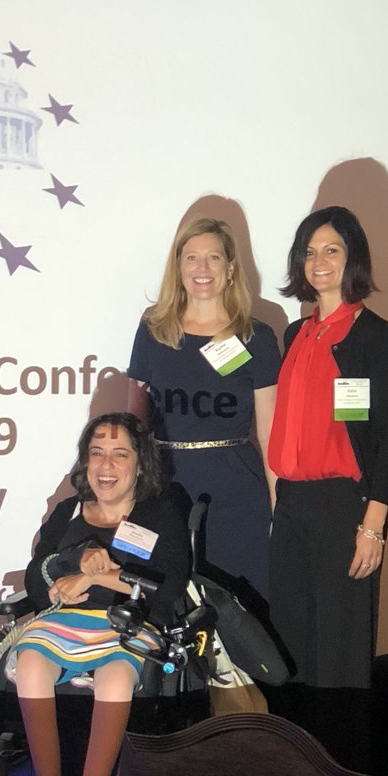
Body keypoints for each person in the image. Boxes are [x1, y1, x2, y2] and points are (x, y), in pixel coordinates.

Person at [6, 412, 189, 776]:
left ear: (139, 464)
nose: (106, 466)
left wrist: (93, 577)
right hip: (64, 621)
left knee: (117, 676)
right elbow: (36, 577)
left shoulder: (160, 514)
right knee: (31, 664)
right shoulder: (68, 511)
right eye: (97, 453)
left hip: (129, 622)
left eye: (119, 454)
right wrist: (72, 565)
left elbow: (168, 586)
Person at [268, 205, 388, 693]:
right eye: (309, 252)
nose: (319, 262)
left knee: (339, 649)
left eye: (331, 250)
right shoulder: (297, 333)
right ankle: (293, 741)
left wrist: (373, 525)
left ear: (354, 258)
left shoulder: (373, 336)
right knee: (289, 644)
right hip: (292, 505)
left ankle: (339, 742)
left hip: (343, 507)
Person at [128, 217, 279, 602]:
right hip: (164, 490)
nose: (202, 268)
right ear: (178, 267)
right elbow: (133, 428)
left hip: (236, 495)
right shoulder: (153, 330)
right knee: (162, 602)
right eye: (192, 257)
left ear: (230, 269)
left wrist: (279, 508)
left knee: (240, 609)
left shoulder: (256, 338)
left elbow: (269, 435)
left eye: (214, 257)